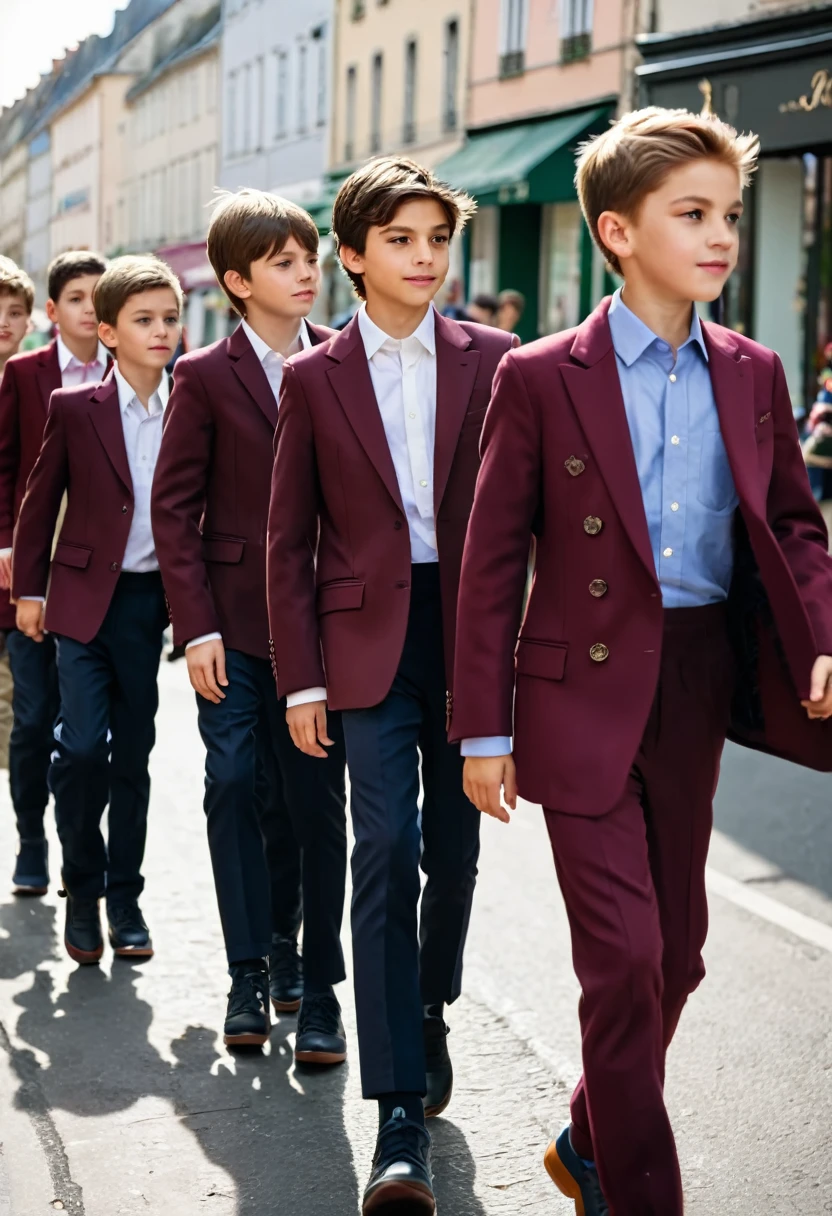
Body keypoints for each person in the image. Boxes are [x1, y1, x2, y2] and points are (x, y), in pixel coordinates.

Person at [450, 106, 832, 1216]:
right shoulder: (535, 374)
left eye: (729, 215)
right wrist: (484, 727)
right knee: (621, 961)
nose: (721, 236)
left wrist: (820, 631)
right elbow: (488, 563)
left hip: (699, 678)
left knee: (680, 955)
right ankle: (635, 1190)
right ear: (616, 232)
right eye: (693, 214)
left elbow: (793, 528)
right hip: (573, 687)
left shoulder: (754, 371)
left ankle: (585, 1133)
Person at [267, 155, 517, 1215]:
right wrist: (299, 680)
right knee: (389, 848)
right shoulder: (313, 377)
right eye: (402, 241)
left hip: (466, 636)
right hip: (362, 643)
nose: (425, 259)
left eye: (437, 240)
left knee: (454, 852)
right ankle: (397, 1114)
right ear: (355, 255)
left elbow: (525, 525)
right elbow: (289, 539)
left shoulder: (498, 358)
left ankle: (429, 1007)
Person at [152, 189, 348, 1053]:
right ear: (235, 281)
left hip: (319, 632)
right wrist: (194, 627)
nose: (307, 273)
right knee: (234, 783)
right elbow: (173, 510)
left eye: (310, 257)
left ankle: (302, 958)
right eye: (284, 262)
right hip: (228, 629)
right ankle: (247, 973)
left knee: (307, 801)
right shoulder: (200, 376)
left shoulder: (345, 362)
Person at [12, 255, 181, 965]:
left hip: (149, 604)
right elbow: (37, 502)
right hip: (81, 604)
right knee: (80, 748)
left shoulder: (193, 403)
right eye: (144, 321)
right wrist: (29, 589)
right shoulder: (74, 408)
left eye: (170, 318)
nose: (163, 331)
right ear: (107, 333)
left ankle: (125, 896)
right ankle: (80, 887)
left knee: (132, 758)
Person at [0, 250, 109, 895]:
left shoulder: (135, 369)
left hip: (101, 582)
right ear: (55, 309)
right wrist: (11, 550)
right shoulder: (25, 374)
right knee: (35, 718)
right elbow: (7, 471)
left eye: (101, 296)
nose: (91, 308)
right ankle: (32, 840)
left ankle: (79, 847)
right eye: (77, 297)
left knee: (89, 732)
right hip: (29, 579)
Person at [0, 258, 36, 778]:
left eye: (14, 311)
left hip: (14, 582)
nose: (4, 321)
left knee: (18, 717)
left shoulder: (34, 384)